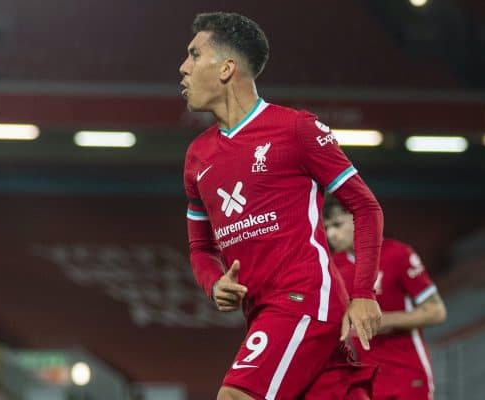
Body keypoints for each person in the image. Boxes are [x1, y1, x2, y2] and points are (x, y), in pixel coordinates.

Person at [181, 12, 384, 400]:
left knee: (236, 397)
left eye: (193, 55)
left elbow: (365, 207)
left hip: (302, 298)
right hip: (261, 310)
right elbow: (201, 248)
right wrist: (214, 283)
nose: (183, 67)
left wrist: (364, 293)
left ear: (226, 68)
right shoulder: (197, 157)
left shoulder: (296, 130)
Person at [323, 194, 447, 400]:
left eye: (337, 224)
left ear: (357, 218)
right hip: (367, 380)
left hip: (408, 372)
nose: (332, 234)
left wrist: (386, 320)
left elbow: (436, 311)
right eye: (327, 228)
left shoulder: (397, 253)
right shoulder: (333, 267)